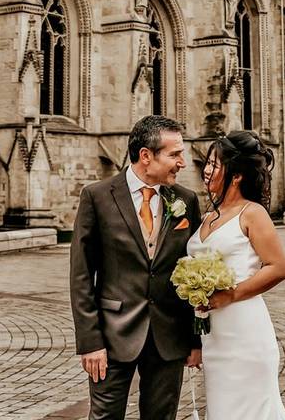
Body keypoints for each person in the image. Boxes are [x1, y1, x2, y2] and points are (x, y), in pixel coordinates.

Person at [70, 115, 203, 420]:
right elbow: (80, 276)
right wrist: (90, 343)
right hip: (113, 336)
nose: (182, 162)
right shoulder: (97, 197)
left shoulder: (186, 200)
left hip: (168, 338)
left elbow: (192, 272)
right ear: (146, 156)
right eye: (174, 154)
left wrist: (193, 340)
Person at [188, 130, 285, 420]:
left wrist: (230, 294)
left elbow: (278, 267)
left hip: (244, 330)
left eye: (214, 165)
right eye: (207, 163)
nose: (206, 170)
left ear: (236, 176)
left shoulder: (252, 213)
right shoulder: (209, 216)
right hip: (213, 334)